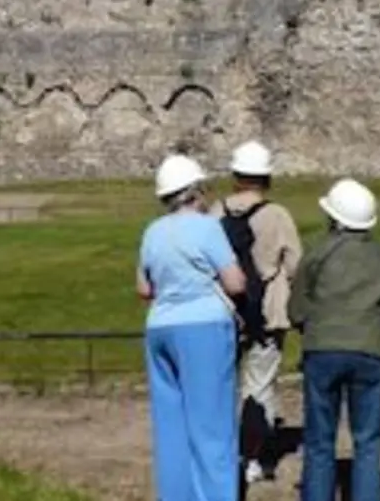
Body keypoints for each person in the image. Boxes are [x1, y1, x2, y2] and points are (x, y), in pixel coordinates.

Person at [137, 154, 245, 501]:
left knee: (171, 425)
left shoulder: (152, 231)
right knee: (211, 425)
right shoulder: (207, 227)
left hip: (160, 327)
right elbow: (235, 283)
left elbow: (143, 288)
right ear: (196, 191)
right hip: (203, 326)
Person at [289, 178, 380, 501]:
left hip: (322, 349)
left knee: (319, 439)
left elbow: (297, 309)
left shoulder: (316, 253)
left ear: (334, 218)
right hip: (370, 348)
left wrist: (312, 328)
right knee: (367, 440)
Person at [207, 141, 302, 484]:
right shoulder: (277, 216)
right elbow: (295, 265)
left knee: (220, 384)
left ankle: (222, 451)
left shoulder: (215, 212)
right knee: (259, 387)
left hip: (223, 310)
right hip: (267, 312)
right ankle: (253, 458)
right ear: (266, 177)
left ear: (235, 175)